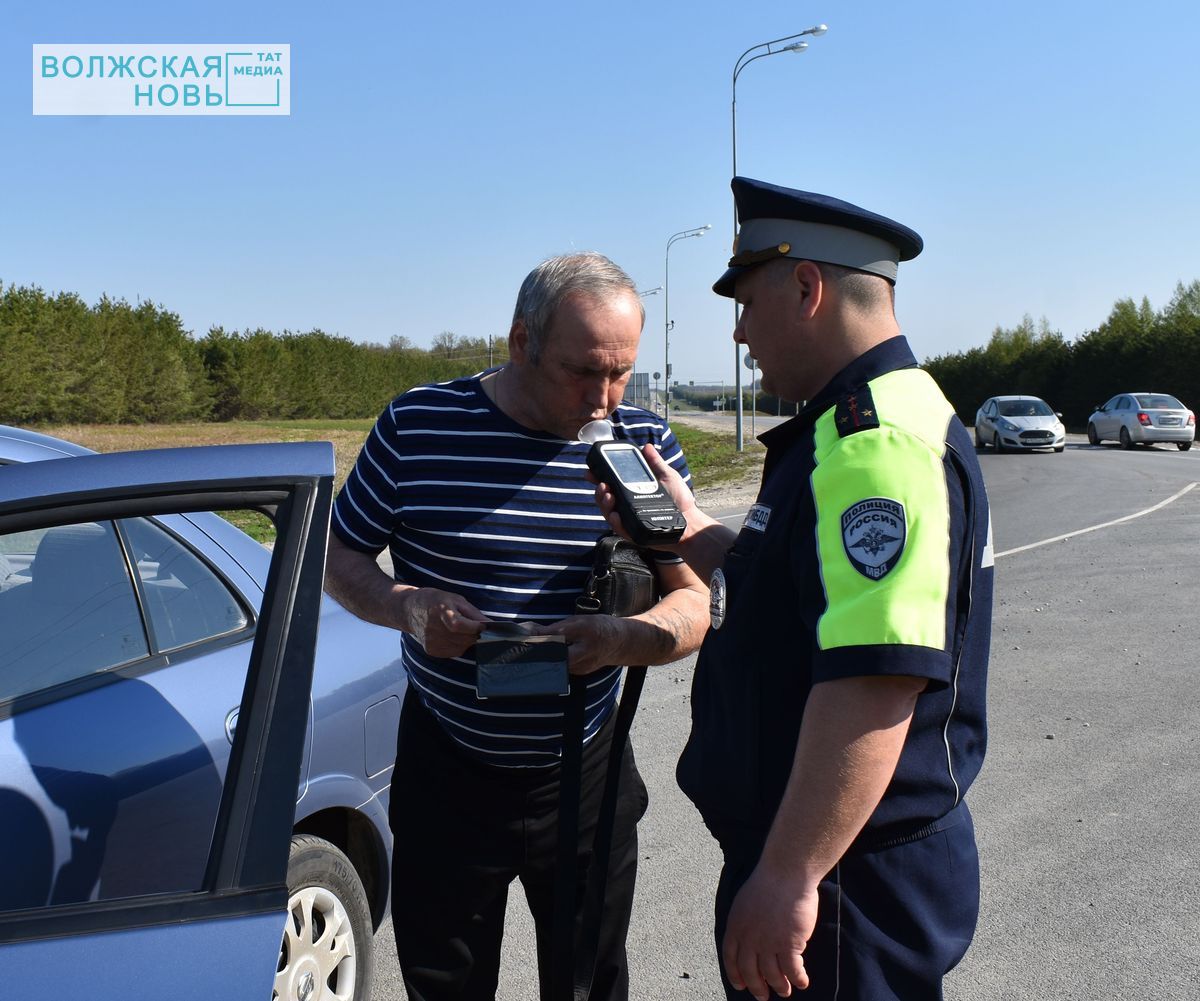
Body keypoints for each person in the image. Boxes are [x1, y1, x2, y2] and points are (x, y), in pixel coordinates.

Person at [595, 178, 994, 1001]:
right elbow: (806, 589)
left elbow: (874, 680)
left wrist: (788, 876)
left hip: (841, 879)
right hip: (840, 861)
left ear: (808, 288)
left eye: (745, 302)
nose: (739, 335)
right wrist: (685, 528)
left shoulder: (870, 444)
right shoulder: (869, 418)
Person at [324, 252, 709, 1001]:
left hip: (586, 768)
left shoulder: (644, 446)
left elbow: (695, 600)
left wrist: (622, 639)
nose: (603, 399)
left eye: (621, 372)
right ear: (520, 341)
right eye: (582, 371)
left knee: (591, 982)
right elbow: (337, 556)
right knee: (447, 982)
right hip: (449, 769)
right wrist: (407, 606)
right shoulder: (418, 427)